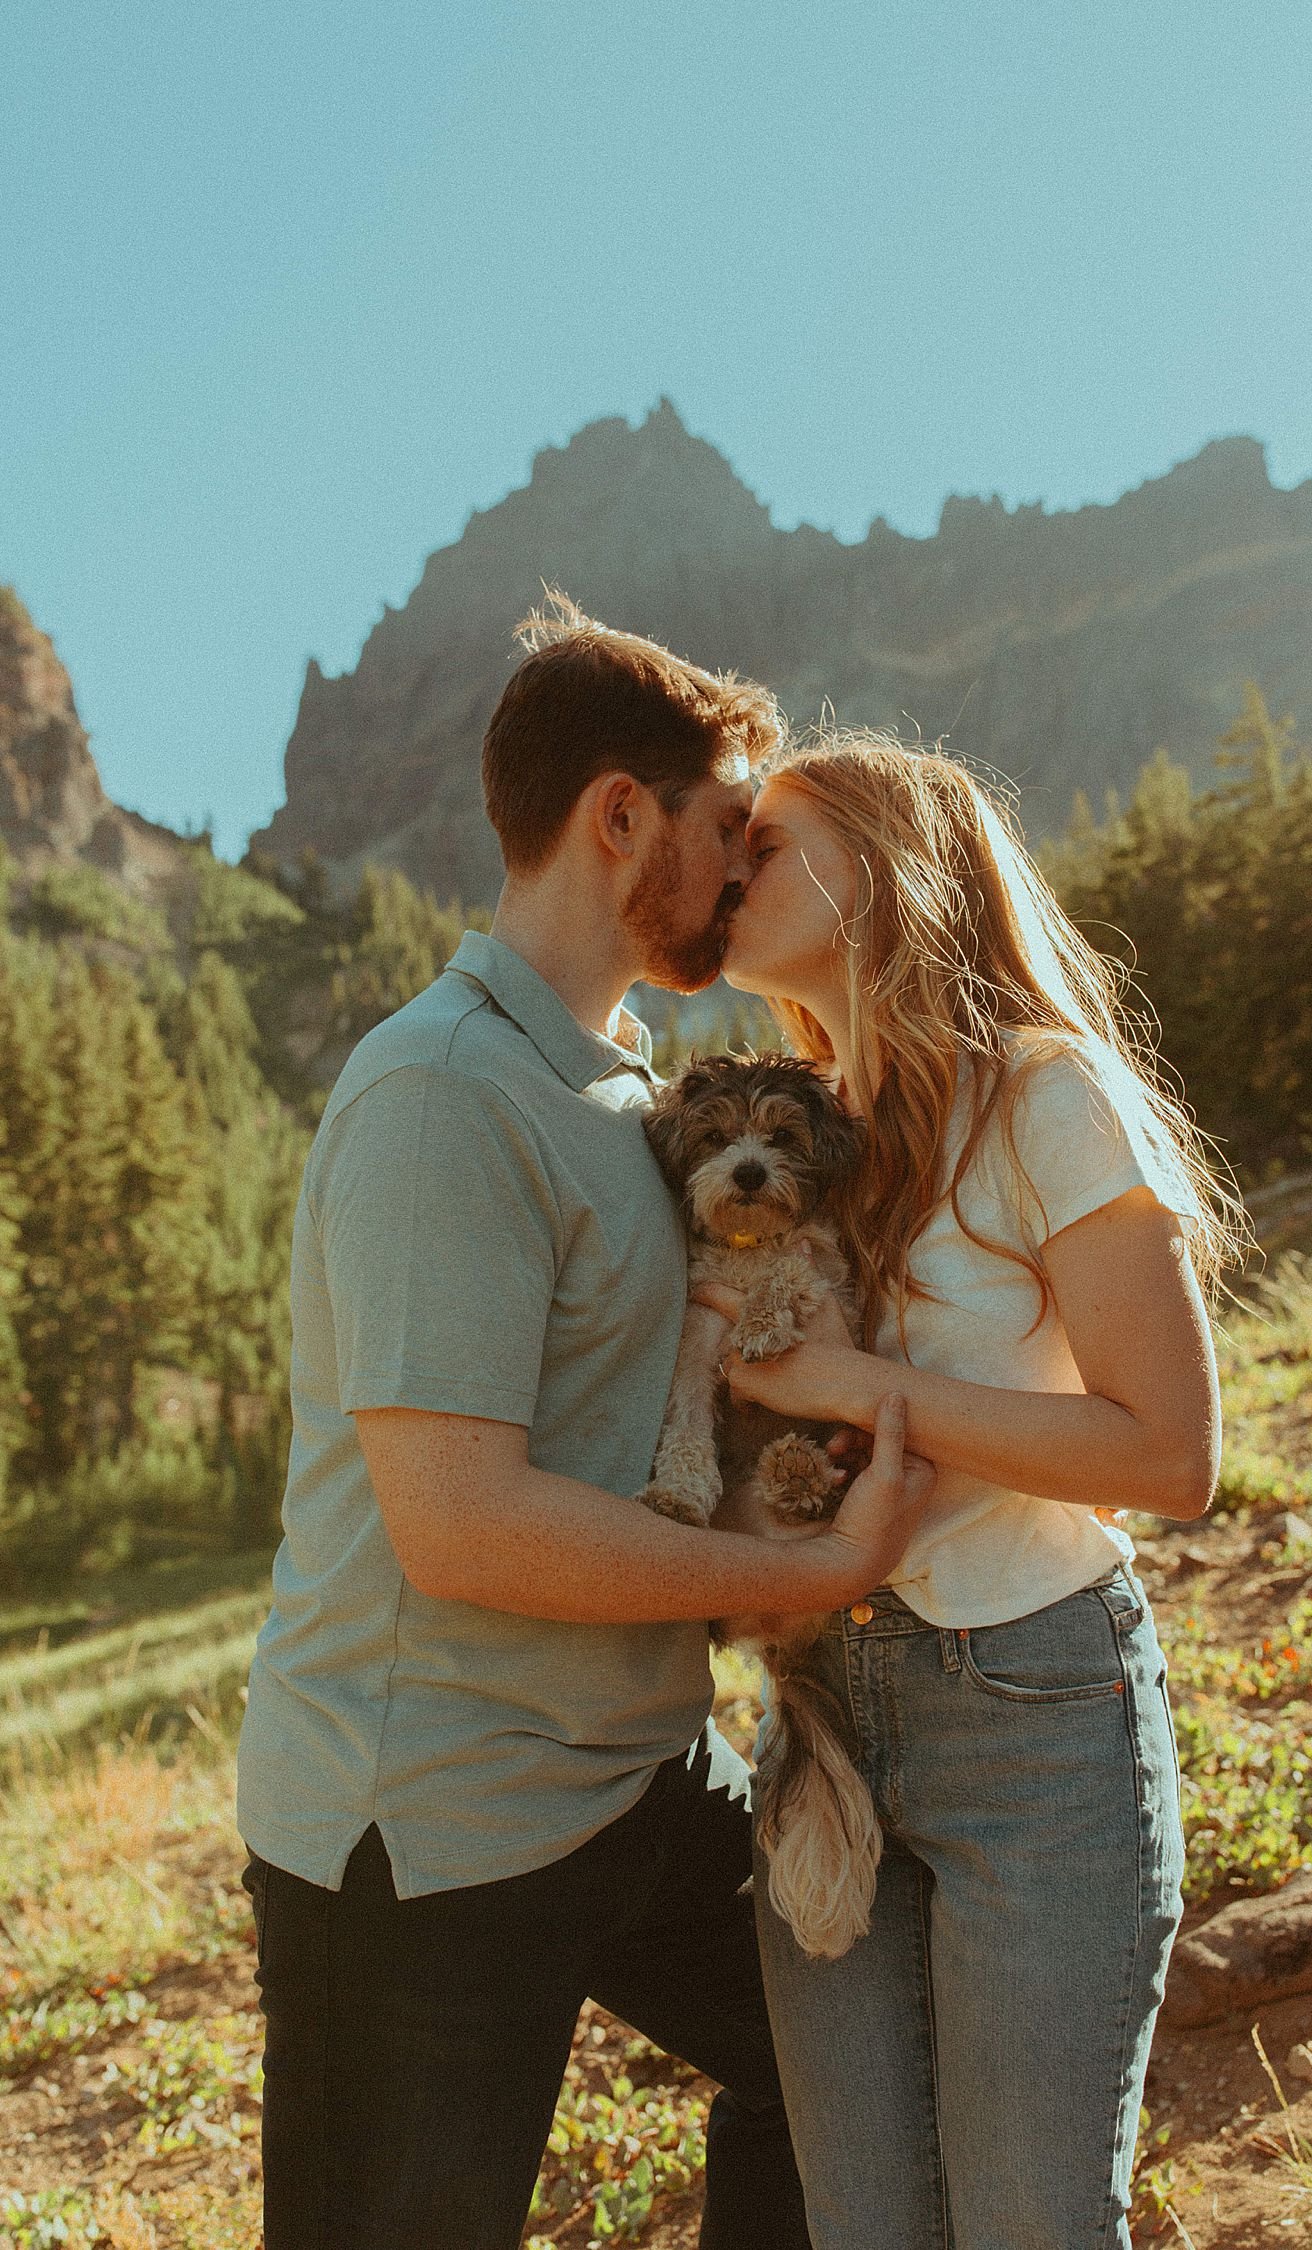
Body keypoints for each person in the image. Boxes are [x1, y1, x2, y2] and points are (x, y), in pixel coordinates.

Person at [234, 600, 934, 2250]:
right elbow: (460, 1522)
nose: (744, 873)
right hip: (424, 1829)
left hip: (626, 1772)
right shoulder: (439, 1095)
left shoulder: (629, 1090)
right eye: (723, 832)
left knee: (839, 2073)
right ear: (618, 818)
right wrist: (825, 1565)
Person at [705, 732, 1246, 2250]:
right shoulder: (794, 1128)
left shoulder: (1041, 1094)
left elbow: (1170, 1450)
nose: (728, 868)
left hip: (1037, 1706)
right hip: (825, 1713)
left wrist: (858, 1390)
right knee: (867, 2230)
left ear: (881, 867)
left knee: (1027, 2228)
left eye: (769, 841)